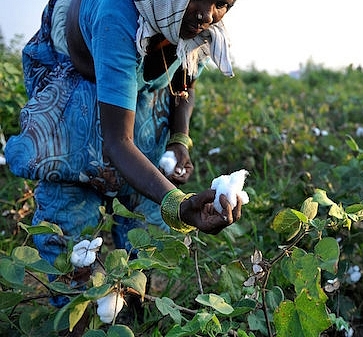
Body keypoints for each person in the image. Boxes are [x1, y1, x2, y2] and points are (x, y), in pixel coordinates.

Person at [4, 0, 243, 305]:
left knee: (140, 219)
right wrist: (181, 206)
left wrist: (179, 140)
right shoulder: (116, 14)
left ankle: (132, 307)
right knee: (70, 233)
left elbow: (185, 80)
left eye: (222, 3)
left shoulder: (191, 21)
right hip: (78, 85)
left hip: (133, 97)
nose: (208, 15)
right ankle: (71, 315)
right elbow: (118, 141)